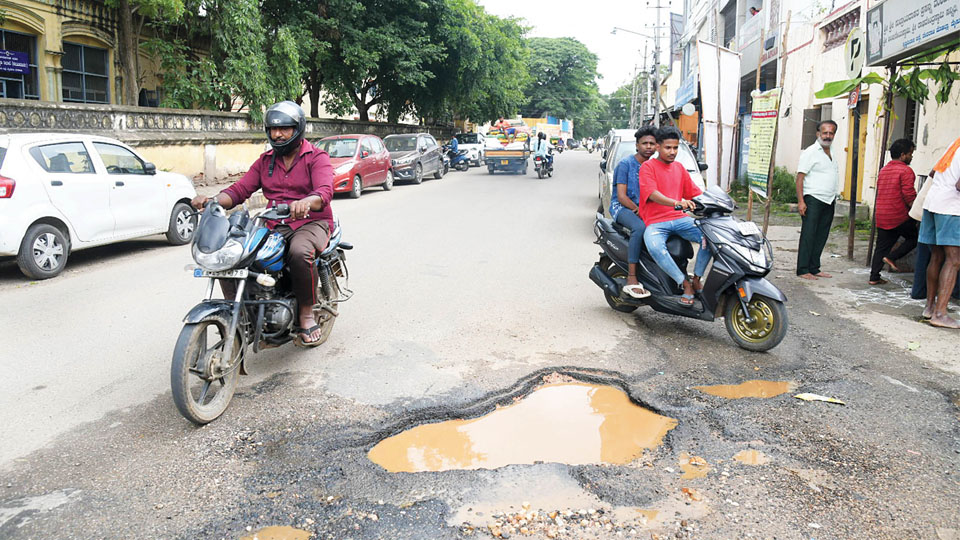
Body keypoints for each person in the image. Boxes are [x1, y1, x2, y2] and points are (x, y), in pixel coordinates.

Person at [190, 101, 334, 346]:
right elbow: (240, 190)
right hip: (274, 223)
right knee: (234, 254)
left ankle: (306, 313)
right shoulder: (265, 161)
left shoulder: (316, 157)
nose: (277, 134)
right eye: (273, 129)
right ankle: (240, 313)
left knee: (299, 253)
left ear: (298, 129)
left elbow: (324, 191)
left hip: (311, 222)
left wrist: (306, 202)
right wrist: (213, 201)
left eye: (284, 129)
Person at [639, 127, 711, 305]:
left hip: (680, 219)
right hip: (655, 222)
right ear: (657, 147)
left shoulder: (679, 168)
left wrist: (718, 201)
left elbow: (696, 193)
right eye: (668, 148)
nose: (672, 152)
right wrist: (676, 203)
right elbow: (652, 194)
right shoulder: (647, 167)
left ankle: (697, 278)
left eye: (675, 148)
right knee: (656, 248)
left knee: (709, 237)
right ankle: (684, 283)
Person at [611, 125, 659, 298]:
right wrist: (637, 210)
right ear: (637, 145)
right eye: (644, 143)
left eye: (652, 143)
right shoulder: (625, 165)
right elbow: (621, 196)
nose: (648, 147)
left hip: (646, 208)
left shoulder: (655, 166)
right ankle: (632, 276)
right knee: (639, 228)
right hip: (623, 207)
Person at [919, 136, 960, 329]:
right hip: (951, 208)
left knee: (936, 256)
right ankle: (940, 313)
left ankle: (930, 307)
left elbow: (933, 173)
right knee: (954, 260)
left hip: (933, 203)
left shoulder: (955, 144)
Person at [795, 120, 841, 280]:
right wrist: (801, 201)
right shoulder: (810, 152)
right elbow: (800, 178)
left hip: (829, 199)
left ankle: (814, 267)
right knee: (809, 234)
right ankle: (803, 269)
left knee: (821, 235)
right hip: (813, 199)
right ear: (818, 134)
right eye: (825, 132)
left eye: (831, 133)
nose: (828, 136)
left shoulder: (832, 151)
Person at [869, 138, 919, 285]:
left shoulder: (884, 170)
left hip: (882, 214)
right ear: (903, 155)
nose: (911, 157)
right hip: (899, 215)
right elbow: (908, 195)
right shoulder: (906, 171)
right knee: (913, 238)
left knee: (881, 247)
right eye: (910, 153)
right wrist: (916, 211)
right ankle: (892, 257)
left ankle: (874, 277)